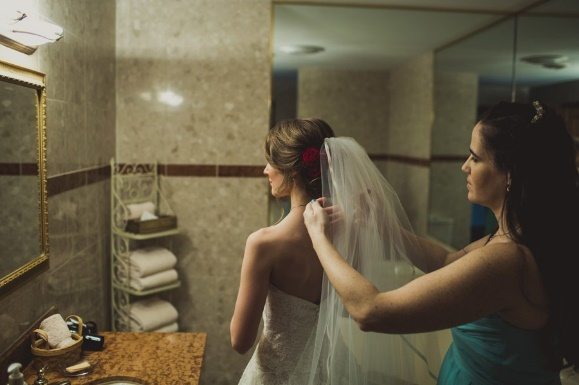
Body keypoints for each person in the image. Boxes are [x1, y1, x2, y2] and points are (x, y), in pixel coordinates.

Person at [304, 101, 579, 385]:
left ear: (509, 173)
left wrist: (319, 238)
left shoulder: (508, 260)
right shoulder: (519, 237)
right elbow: (450, 262)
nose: (464, 167)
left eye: (475, 158)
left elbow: (371, 311)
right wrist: (384, 228)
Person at [230, 118, 334, 385]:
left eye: (271, 162)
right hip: (324, 374)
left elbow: (240, 341)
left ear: (293, 171)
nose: (266, 170)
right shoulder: (344, 234)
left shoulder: (264, 243)